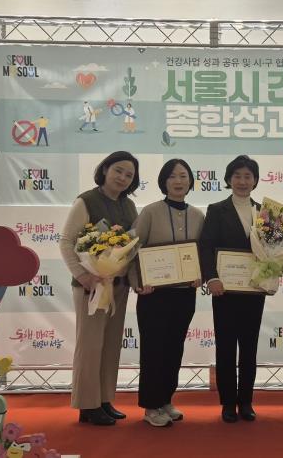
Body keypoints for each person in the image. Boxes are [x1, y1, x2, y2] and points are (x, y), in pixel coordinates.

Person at [59, 151, 139, 425]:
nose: (123, 177)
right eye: (118, 170)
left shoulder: (129, 206)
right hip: (91, 287)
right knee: (90, 345)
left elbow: (132, 245)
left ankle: (104, 399)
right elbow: (67, 241)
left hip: (118, 285)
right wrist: (83, 275)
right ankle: (87, 404)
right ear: (105, 169)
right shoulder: (86, 200)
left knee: (111, 345)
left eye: (129, 175)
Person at [130, 159, 205, 427]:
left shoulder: (198, 216)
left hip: (184, 294)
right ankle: (151, 406)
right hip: (154, 295)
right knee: (154, 350)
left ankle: (165, 399)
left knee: (174, 348)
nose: (178, 181)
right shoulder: (150, 212)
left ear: (190, 181)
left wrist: (200, 275)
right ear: (164, 181)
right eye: (172, 176)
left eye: (183, 176)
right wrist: (138, 282)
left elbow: (202, 253)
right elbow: (132, 249)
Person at [199, 155, 265, 423]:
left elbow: (274, 251)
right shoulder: (217, 210)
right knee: (226, 347)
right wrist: (211, 278)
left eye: (248, 176)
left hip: (254, 289)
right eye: (237, 176)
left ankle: (246, 401)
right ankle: (228, 403)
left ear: (255, 180)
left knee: (249, 348)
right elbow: (206, 246)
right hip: (223, 290)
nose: (242, 181)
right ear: (228, 179)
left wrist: (272, 271)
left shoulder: (264, 211)